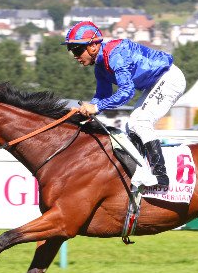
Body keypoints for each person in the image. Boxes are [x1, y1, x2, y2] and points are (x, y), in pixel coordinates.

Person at [62, 21, 186, 187]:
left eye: (77, 50)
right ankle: (139, 172)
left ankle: (160, 177)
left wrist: (96, 107)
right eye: (71, 50)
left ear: (93, 46)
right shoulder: (100, 67)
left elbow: (127, 92)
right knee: (131, 126)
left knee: (140, 122)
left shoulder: (116, 55)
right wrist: (86, 111)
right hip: (154, 83)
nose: (75, 56)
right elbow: (103, 95)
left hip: (169, 78)